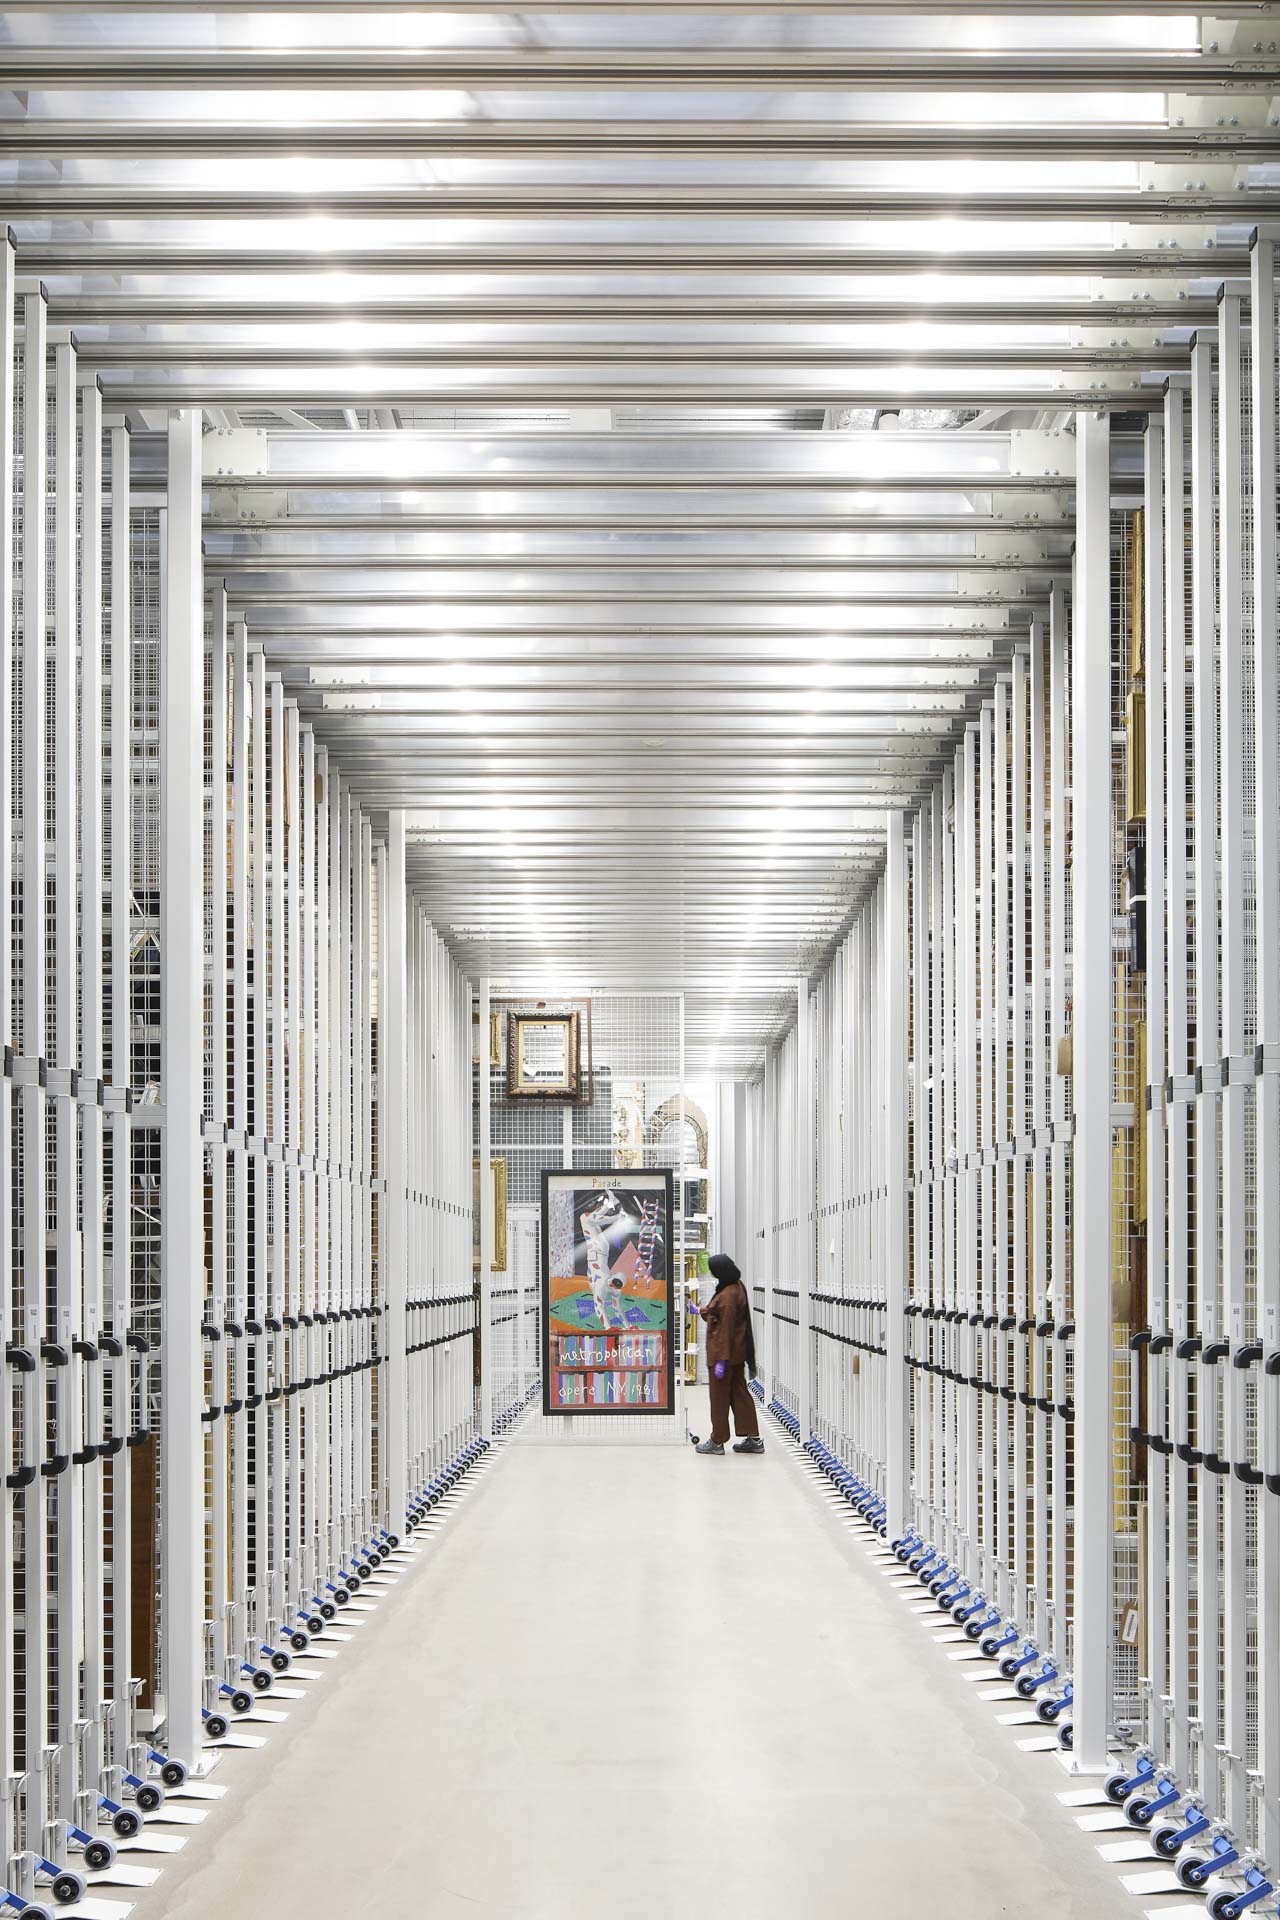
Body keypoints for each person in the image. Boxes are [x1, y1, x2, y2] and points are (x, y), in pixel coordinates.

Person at [694, 1253, 764, 1456]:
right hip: (737, 1355)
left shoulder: (726, 1297)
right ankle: (753, 1438)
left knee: (719, 1398)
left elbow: (724, 1329)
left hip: (722, 1356)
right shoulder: (736, 1286)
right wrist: (700, 1311)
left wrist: (721, 1361)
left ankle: (717, 1441)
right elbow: (719, 1315)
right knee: (740, 1394)